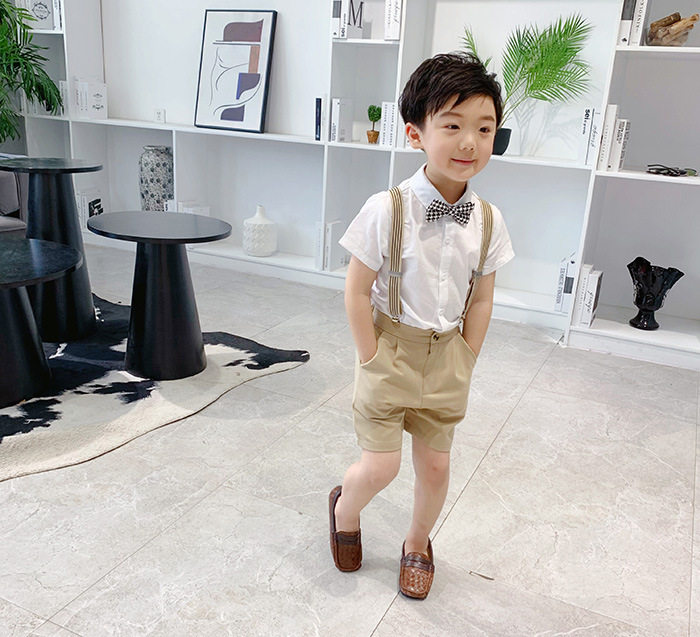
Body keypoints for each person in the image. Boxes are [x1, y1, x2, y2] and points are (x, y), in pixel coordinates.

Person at [328, 52, 515, 600]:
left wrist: (467, 355)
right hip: (390, 350)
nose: (469, 143)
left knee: (435, 467)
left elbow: (482, 296)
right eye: (452, 126)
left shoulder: (488, 219)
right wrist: (370, 355)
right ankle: (344, 510)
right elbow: (356, 289)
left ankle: (417, 542)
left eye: (484, 129)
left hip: (448, 357)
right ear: (415, 133)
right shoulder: (386, 208)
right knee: (380, 468)